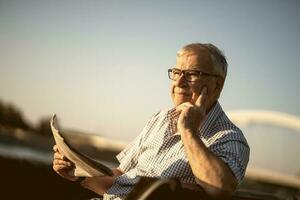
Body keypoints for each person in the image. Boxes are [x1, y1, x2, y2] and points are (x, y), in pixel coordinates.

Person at [53, 43, 250, 199]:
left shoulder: (230, 138)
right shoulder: (160, 119)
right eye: (176, 73)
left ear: (217, 85)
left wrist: (188, 130)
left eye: (192, 74)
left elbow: (221, 188)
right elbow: (119, 177)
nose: (179, 83)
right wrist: (77, 175)